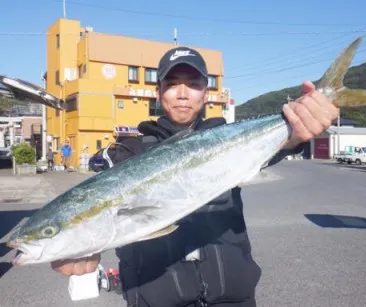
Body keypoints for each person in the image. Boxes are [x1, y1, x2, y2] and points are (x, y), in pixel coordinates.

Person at [52, 47, 338, 306]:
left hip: (233, 298)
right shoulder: (127, 152)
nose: (182, 93)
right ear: (158, 92)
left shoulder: (229, 139)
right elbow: (100, 208)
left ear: (206, 93)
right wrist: (83, 245)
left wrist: (298, 129)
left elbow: (279, 146)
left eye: (193, 84)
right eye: (172, 83)